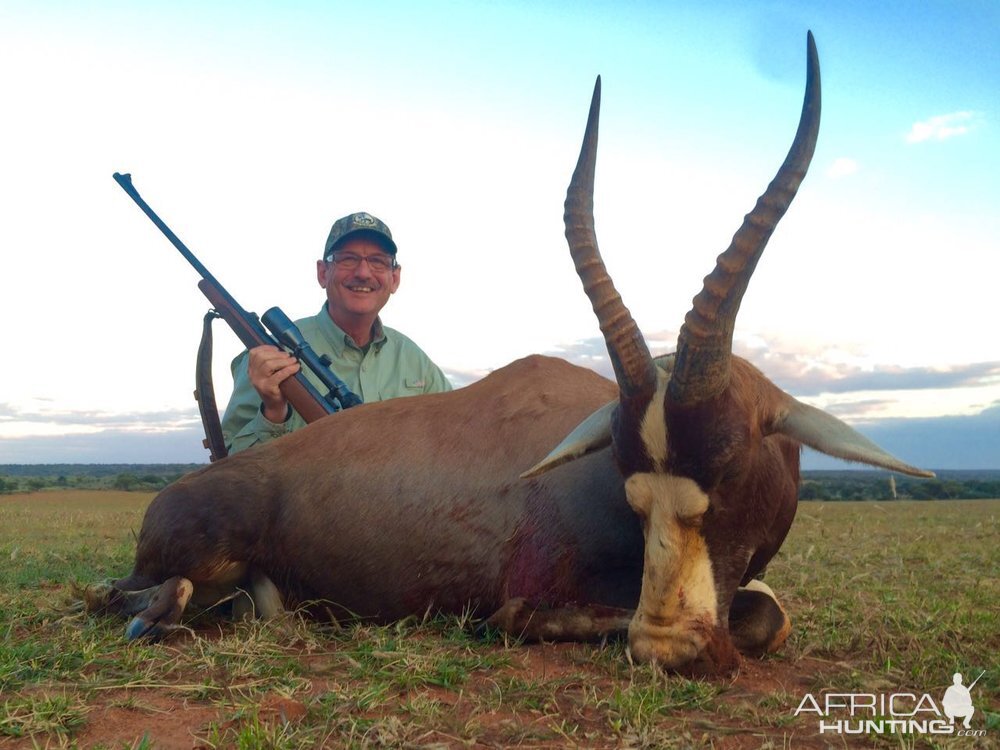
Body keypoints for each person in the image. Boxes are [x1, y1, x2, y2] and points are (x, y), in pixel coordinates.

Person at [221, 211, 451, 453]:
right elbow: (228, 465)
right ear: (323, 273)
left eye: (378, 261)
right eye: (347, 259)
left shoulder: (415, 360)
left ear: (394, 278)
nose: (363, 272)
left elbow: (456, 437)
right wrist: (274, 413)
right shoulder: (270, 356)